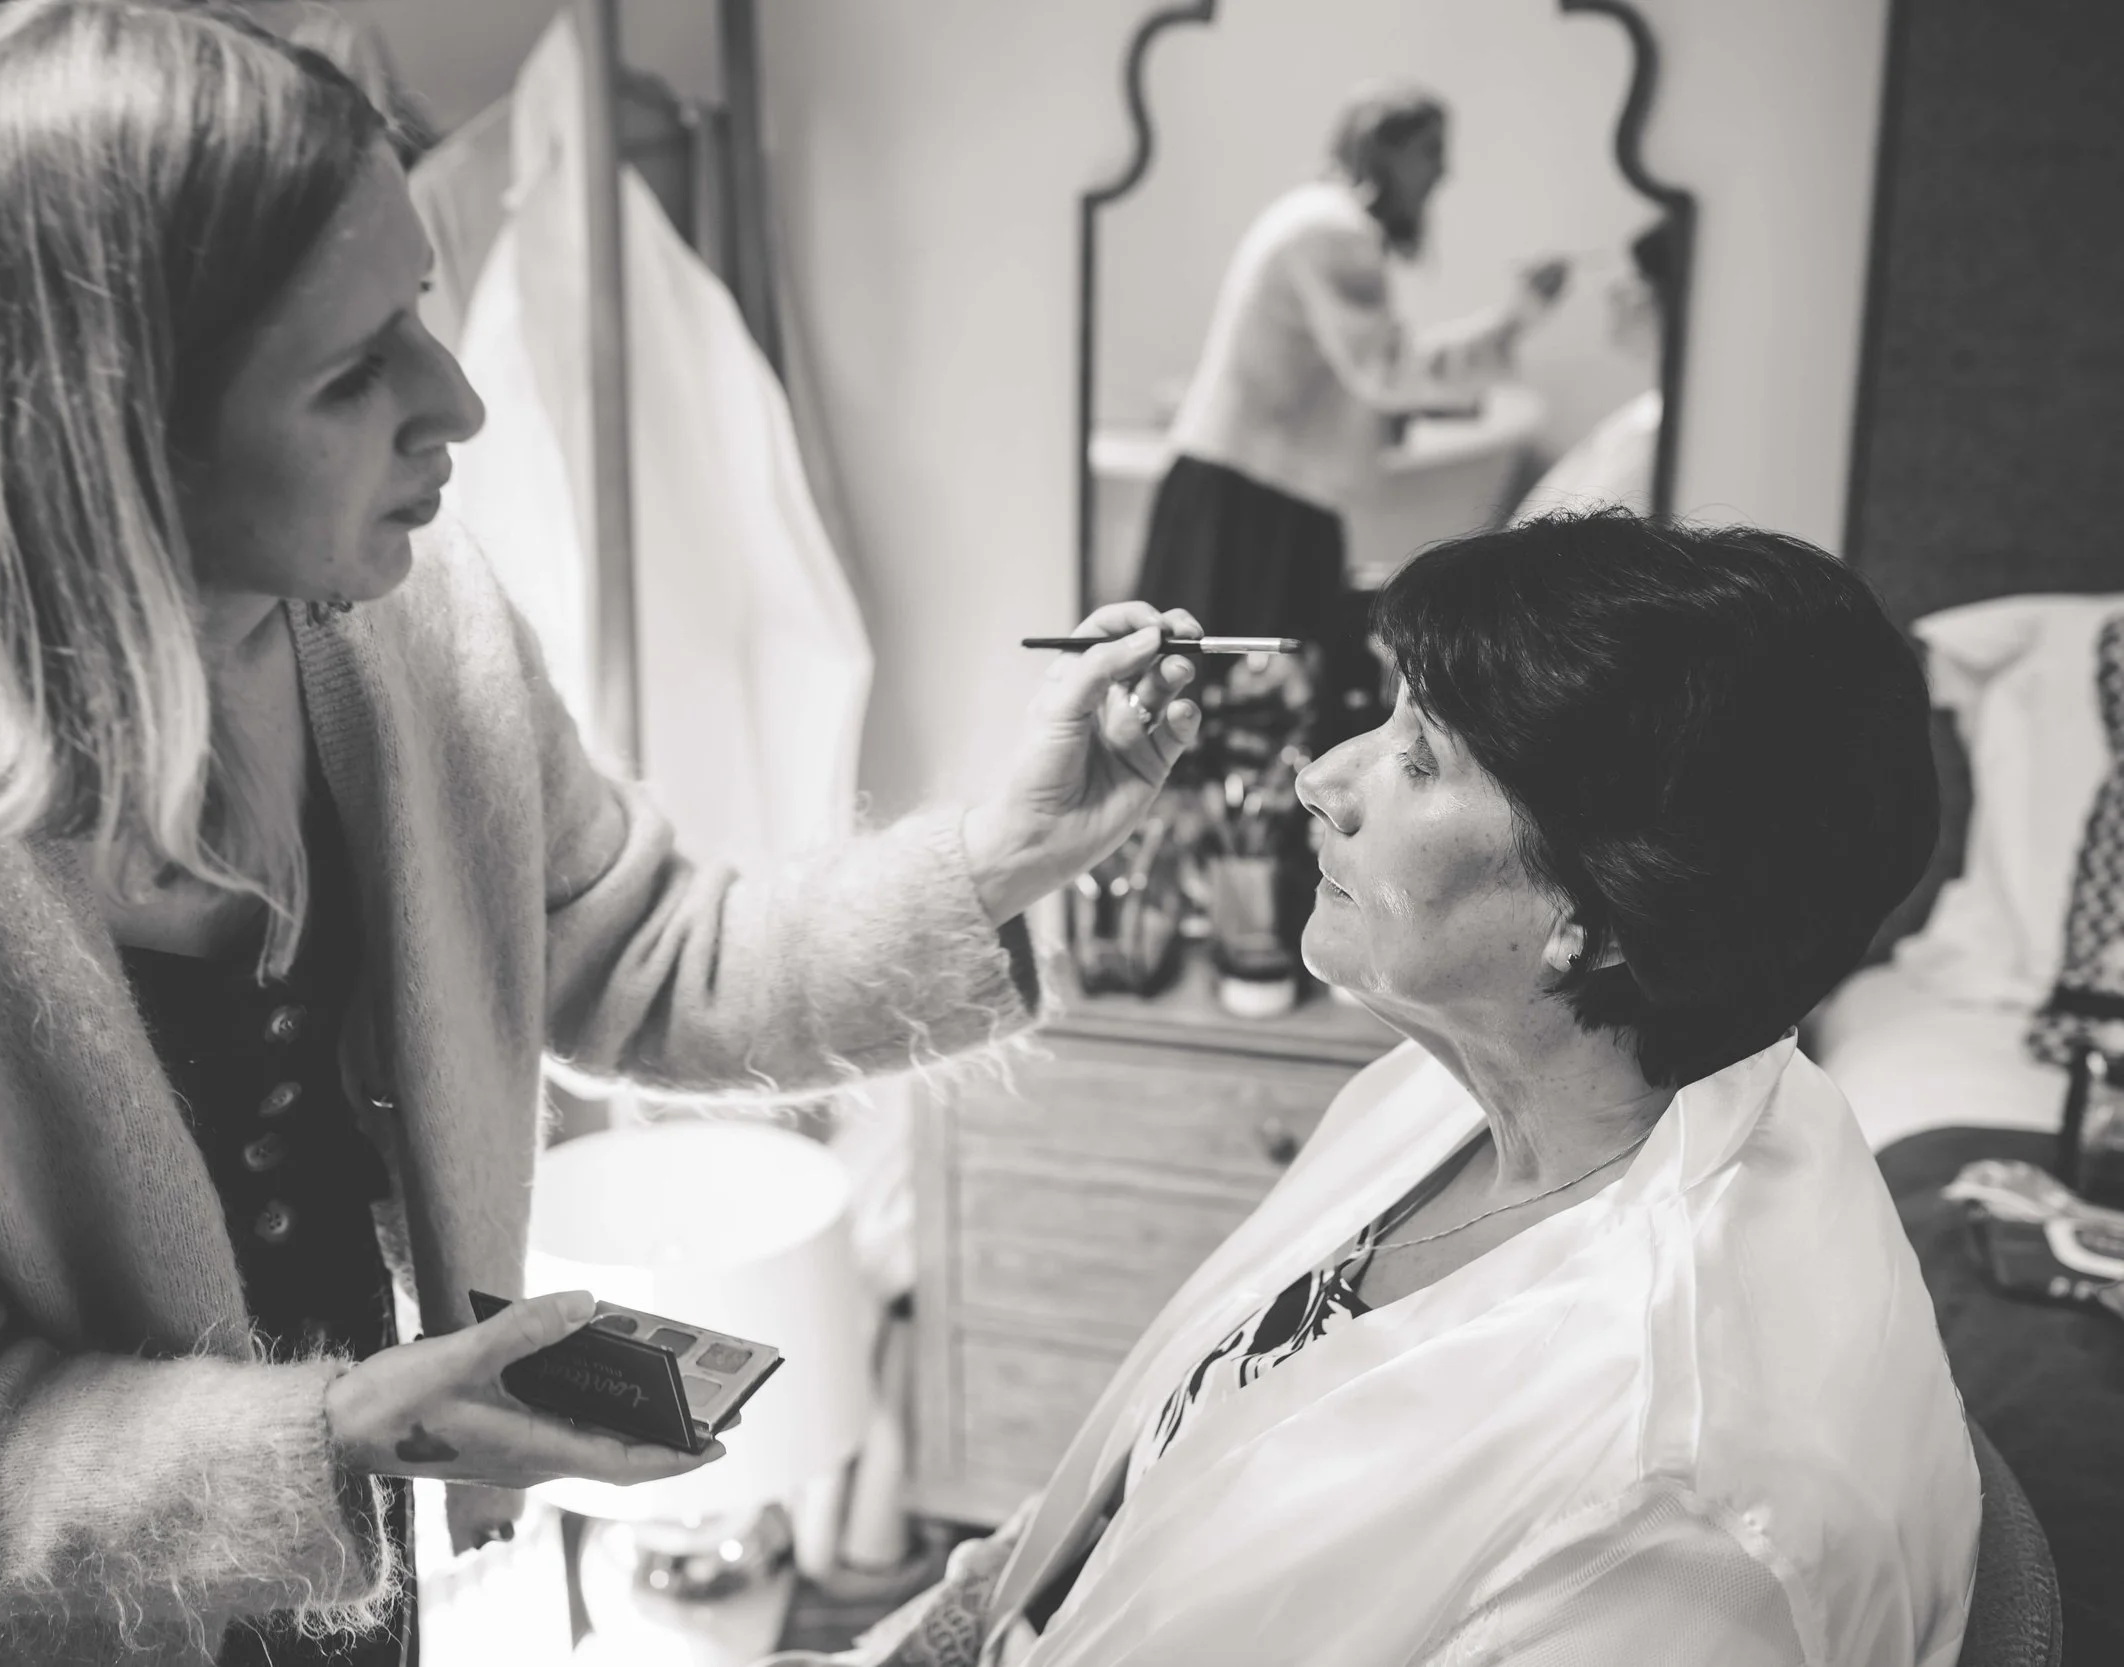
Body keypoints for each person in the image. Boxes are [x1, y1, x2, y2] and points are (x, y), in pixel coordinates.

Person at [0, 4, 1209, 1664]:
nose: (454, 400)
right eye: (349, 370)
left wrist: (1005, 852)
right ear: (106, 436)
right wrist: (329, 1437)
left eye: (421, 311)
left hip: (339, 1572)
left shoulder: (409, 622)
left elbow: (649, 950)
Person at [772, 511, 1979, 1666]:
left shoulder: (1675, 1515)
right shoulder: (1453, 1083)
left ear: (1595, 916)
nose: (1317, 776)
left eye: (1419, 757)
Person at [1135, 82, 1568, 736]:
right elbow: (1387, 372)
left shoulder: (1316, 218)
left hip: (1253, 488)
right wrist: (1517, 317)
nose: (1445, 172)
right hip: (1254, 500)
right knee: (1245, 714)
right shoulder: (1333, 231)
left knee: (1225, 708)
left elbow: (1356, 372)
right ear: (1384, 150)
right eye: (1431, 151)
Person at [1512, 219, 1678, 521]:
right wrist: (1520, 316)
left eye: (1639, 275)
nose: (1615, 290)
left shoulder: (1650, 435)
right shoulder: (1645, 421)